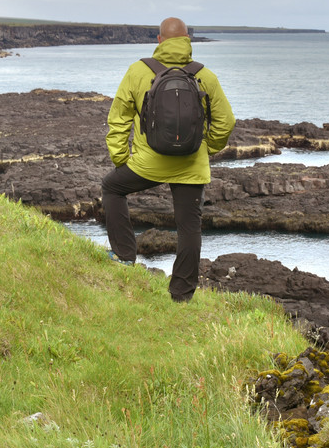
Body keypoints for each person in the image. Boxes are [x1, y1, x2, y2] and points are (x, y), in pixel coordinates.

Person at [101, 17, 236, 302]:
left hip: (148, 162)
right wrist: (206, 149)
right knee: (189, 227)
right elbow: (225, 122)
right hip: (191, 165)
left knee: (112, 188)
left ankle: (125, 254)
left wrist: (121, 157)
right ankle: (181, 295)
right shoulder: (205, 76)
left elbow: (119, 118)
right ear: (188, 39)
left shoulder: (138, 71)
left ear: (159, 40)